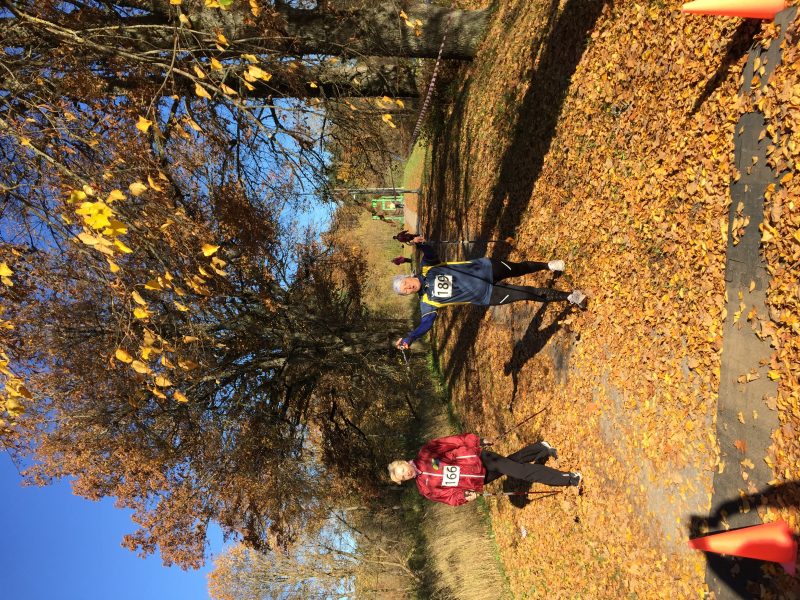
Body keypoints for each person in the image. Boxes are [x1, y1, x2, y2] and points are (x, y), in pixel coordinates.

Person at [393, 236, 586, 349]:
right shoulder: (427, 302)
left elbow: (430, 253)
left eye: (406, 284)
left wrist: (418, 243)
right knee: (528, 293)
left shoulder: (427, 269)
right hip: (486, 294)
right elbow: (426, 324)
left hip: (485, 268)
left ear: (408, 277)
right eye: (406, 291)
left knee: (519, 268)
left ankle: (548, 266)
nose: (409, 288)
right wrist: (411, 337)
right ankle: (570, 296)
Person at [388, 433, 581, 506]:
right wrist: (464, 497)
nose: (406, 474)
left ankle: (570, 478)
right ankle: (541, 447)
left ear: (404, 462)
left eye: (402, 470)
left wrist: (477, 441)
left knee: (521, 472)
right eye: (403, 477)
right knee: (513, 463)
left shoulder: (426, 453)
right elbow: (449, 497)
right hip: (478, 479)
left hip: (480, 460)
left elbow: (452, 441)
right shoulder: (425, 489)